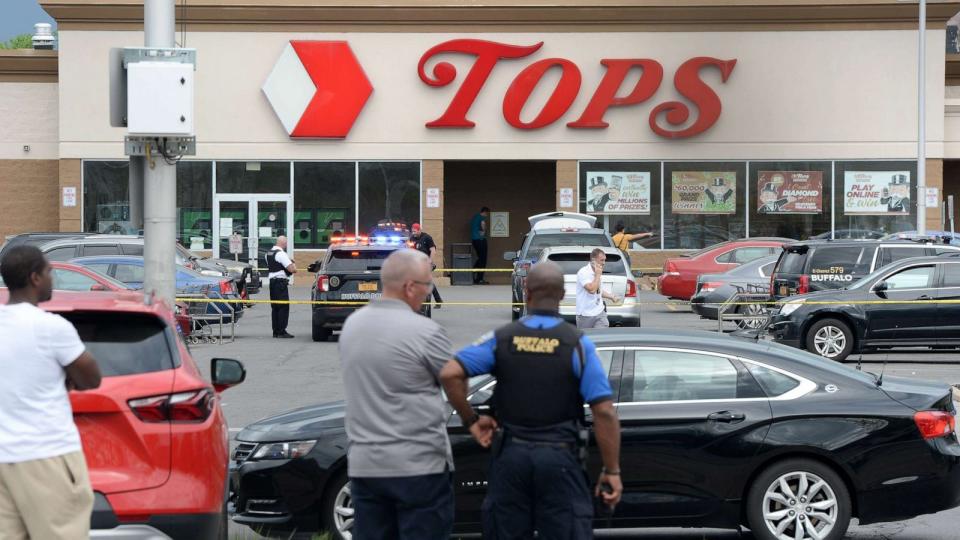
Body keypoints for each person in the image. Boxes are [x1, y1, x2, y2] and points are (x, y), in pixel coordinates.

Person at [439, 261, 622, 540]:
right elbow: (605, 412)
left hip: (511, 458)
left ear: (526, 291)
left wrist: (472, 420)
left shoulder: (502, 338)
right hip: (559, 459)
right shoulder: (578, 344)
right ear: (562, 295)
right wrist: (611, 470)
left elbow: (451, 373)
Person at [339, 249, 455, 540]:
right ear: (410, 287)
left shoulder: (352, 326)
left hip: (366, 468)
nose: (429, 293)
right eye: (428, 286)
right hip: (418, 467)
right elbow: (454, 380)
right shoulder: (425, 332)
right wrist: (471, 416)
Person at [0, 246, 102, 539]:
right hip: (46, 456)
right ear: (34, 278)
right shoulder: (52, 328)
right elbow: (92, 378)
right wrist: (67, 377)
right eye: (49, 272)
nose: (52, 279)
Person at [575, 248, 621, 329]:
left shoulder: (597, 271)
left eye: (604, 260)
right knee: (586, 339)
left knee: (602, 335)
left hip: (599, 312)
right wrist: (598, 275)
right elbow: (592, 290)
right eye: (601, 260)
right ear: (593, 260)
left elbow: (598, 290)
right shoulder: (583, 272)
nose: (604, 263)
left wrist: (611, 296)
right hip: (585, 314)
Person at [265, 235, 297, 338]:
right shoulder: (281, 254)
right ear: (283, 243)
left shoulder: (268, 253)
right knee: (283, 306)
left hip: (272, 282)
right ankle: (282, 331)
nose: (286, 244)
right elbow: (292, 269)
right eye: (286, 242)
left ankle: (275, 331)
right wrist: (292, 263)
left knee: (275, 307)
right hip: (280, 283)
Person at [410, 222, 443, 309]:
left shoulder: (427, 238)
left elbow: (432, 250)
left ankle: (435, 300)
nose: (413, 233)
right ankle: (437, 300)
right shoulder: (412, 238)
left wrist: (430, 262)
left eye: (415, 231)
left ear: (419, 230)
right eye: (412, 232)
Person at [471, 206, 490, 285]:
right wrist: (484, 229)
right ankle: (480, 278)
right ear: (485, 212)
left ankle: (473, 272)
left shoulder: (475, 217)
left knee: (480, 258)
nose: (487, 216)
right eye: (487, 214)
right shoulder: (481, 218)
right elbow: (483, 226)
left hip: (474, 240)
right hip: (480, 240)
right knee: (483, 259)